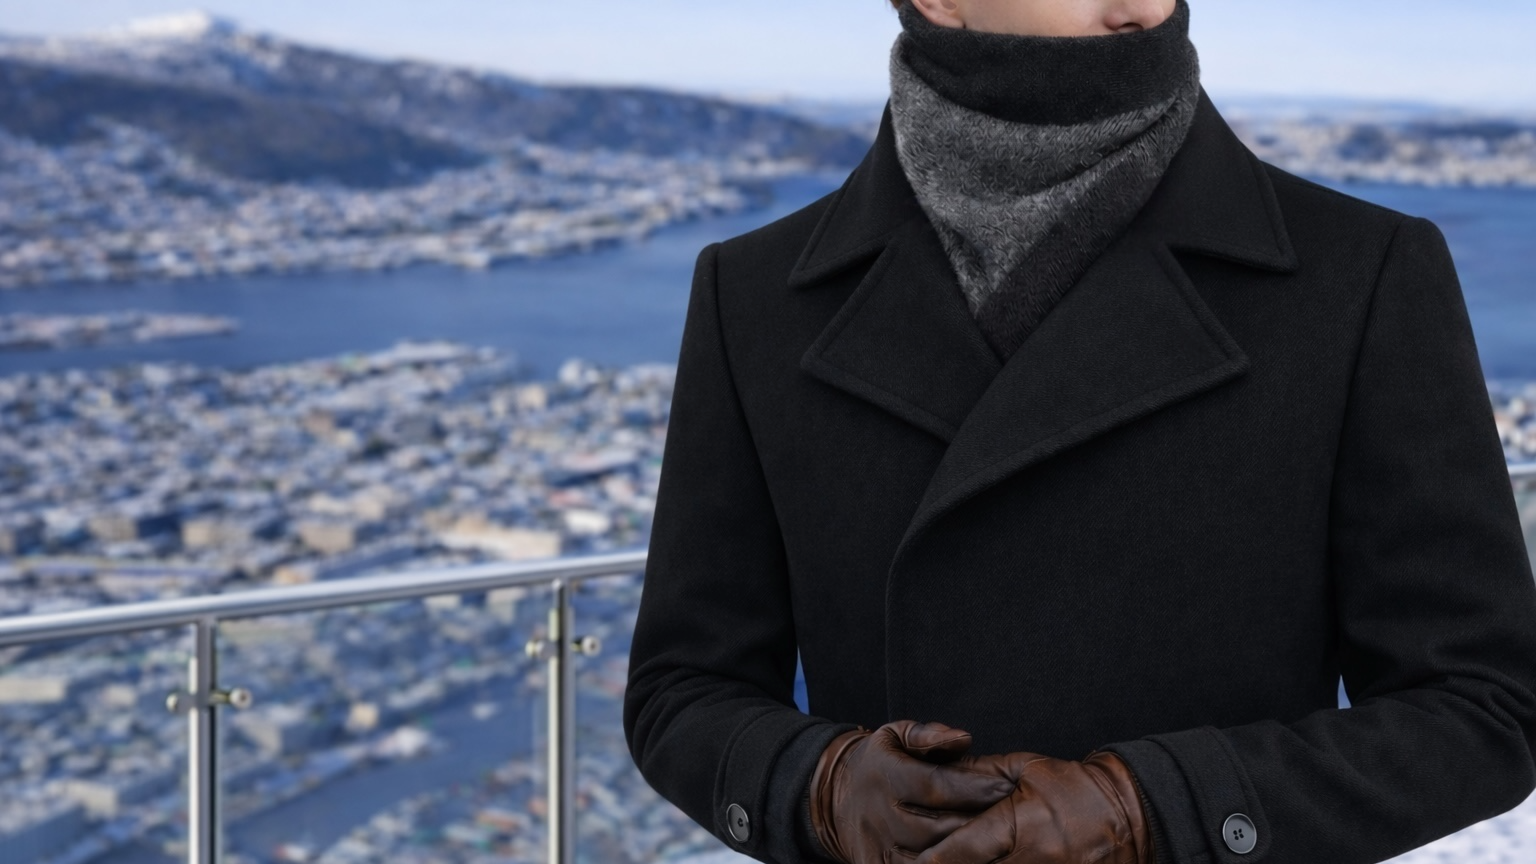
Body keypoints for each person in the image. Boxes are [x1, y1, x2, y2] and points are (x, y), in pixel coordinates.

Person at [623, 1, 1536, 862]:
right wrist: (817, 789)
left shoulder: (1361, 273)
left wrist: (1161, 810)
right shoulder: (752, 296)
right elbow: (682, 689)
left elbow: (1485, 706)